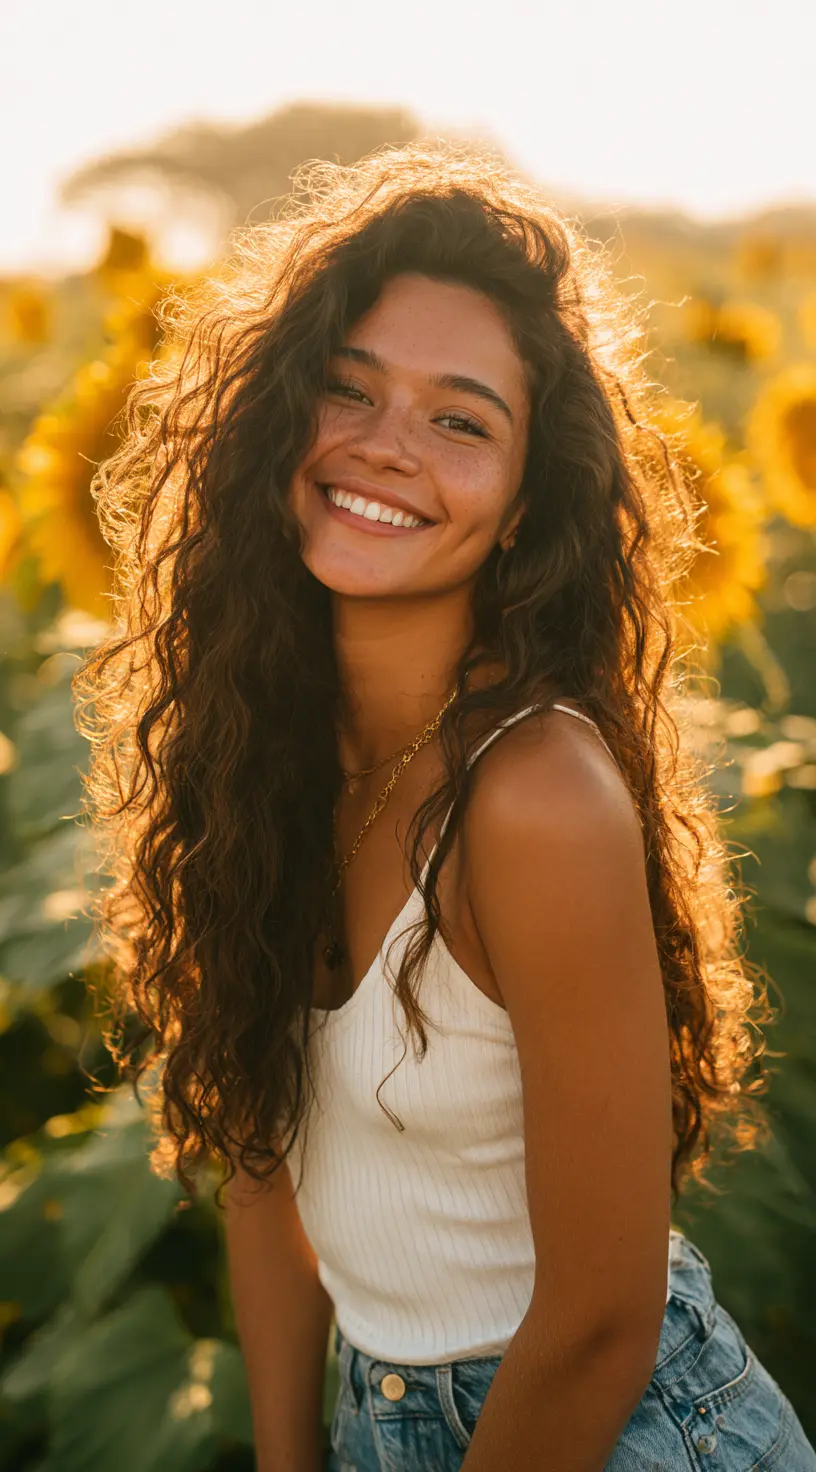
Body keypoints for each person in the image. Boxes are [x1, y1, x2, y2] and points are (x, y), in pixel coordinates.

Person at [75, 143, 816, 1471]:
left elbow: (596, 1321)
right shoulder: (258, 755)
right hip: (383, 1421)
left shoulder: (534, 795)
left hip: (617, 1427)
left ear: (530, 504)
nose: (384, 446)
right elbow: (261, 1162)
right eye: (348, 390)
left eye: (459, 420)